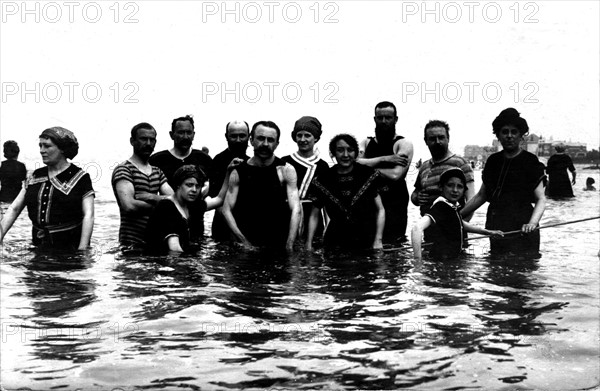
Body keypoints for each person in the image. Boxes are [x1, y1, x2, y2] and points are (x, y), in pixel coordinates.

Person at [460, 108, 546, 254]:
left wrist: (532, 223)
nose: (509, 136)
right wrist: (457, 215)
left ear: (521, 136)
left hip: (523, 225)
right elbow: (482, 196)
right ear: (498, 135)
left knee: (524, 271)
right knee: (497, 269)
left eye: (514, 132)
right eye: (505, 132)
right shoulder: (493, 161)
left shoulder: (530, 161)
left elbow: (541, 199)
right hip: (496, 225)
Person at [0, 127, 94, 250]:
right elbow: (14, 208)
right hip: (38, 246)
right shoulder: (34, 176)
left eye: (47, 146)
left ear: (62, 149)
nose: (41, 150)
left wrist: (83, 250)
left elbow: (89, 215)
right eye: (40, 146)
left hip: (69, 248)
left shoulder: (80, 177)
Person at [222, 121, 301, 250]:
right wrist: (244, 242)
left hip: (278, 243)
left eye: (270, 140)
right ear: (251, 140)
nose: (265, 144)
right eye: (260, 138)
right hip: (246, 242)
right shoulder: (238, 171)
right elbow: (226, 210)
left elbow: (296, 209)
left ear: (277, 144)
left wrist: (290, 245)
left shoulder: (286, 170)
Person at [306, 134, 385, 251]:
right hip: (334, 239)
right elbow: (314, 215)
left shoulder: (368, 174)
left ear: (356, 153)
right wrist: (308, 243)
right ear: (333, 153)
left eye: (350, 150)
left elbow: (380, 209)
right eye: (340, 150)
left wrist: (378, 240)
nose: (345, 155)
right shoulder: (323, 179)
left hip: (366, 238)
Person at [145, 161, 241, 254]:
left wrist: (228, 172)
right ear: (178, 184)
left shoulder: (193, 205)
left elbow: (219, 199)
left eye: (198, 186)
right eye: (189, 185)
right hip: (160, 261)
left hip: (179, 257)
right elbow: (174, 248)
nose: (194, 190)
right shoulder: (166, 207)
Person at [411, 168, 503, 261]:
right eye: (450, 185)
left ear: (464, 190)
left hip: (450, 261)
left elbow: (459, 223)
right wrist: (418, 261)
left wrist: (487, 232)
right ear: (441, 187)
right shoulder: (440, 206)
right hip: (441, 263)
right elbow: (416, 229)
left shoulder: (450, 206)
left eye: (460, 186)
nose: (455, 190)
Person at [149, 115, 213, 238]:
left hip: (196, 223)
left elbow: (213, 188)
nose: (185, 137)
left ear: (193, 134)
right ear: (171, 135)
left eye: (188, 133)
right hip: (167, 222)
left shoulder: (203, 159)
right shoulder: (157, 160)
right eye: (181, 132)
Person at [358, 101, 413, 243]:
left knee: (394, 246)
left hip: (394, 203)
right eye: (380, 117)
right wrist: (385, 159)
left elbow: (396, 175)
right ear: (374, 119)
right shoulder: (366, 143)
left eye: (388, 118)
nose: (384, 121)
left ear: (395, 119)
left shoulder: (403, 144)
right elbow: (354, 162)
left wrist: (367, 166)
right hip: (369, 202)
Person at [111, 122, 173, 247]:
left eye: (152, 140)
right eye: (144, 139)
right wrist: (161, 205)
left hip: (156, 242)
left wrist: (153, 197)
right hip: (131, 243)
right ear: (132, 141)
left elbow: (176, 202)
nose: (148, 144)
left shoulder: (157, 171)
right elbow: (129, 206)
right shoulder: (124, 170)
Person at [411, 120, 475, 217]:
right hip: (428, 227)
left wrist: (461, 225)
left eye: (441, 137)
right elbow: (415, 194)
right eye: (432, 139)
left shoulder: (460, 163)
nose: (437, 142)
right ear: (426, 141)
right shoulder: (424, 167)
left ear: (448, 138)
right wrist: (417, 197)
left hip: (452, 226)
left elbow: (471, 201)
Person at [281, 116, 330, 241]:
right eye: (299, 135)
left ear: (316, 138)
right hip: (289, 213)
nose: (302, 139)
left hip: (313, 216)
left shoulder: (323, 166)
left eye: (307, 135)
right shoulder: (285, 161)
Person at [209, 120, 250, 241]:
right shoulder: (218, 161)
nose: (238, 140)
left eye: (242, 136)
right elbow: (216, 198)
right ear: (226, 137)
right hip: (222, 226)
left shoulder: (252, 161)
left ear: (249, 136)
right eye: (234, 136)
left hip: (246, 224)